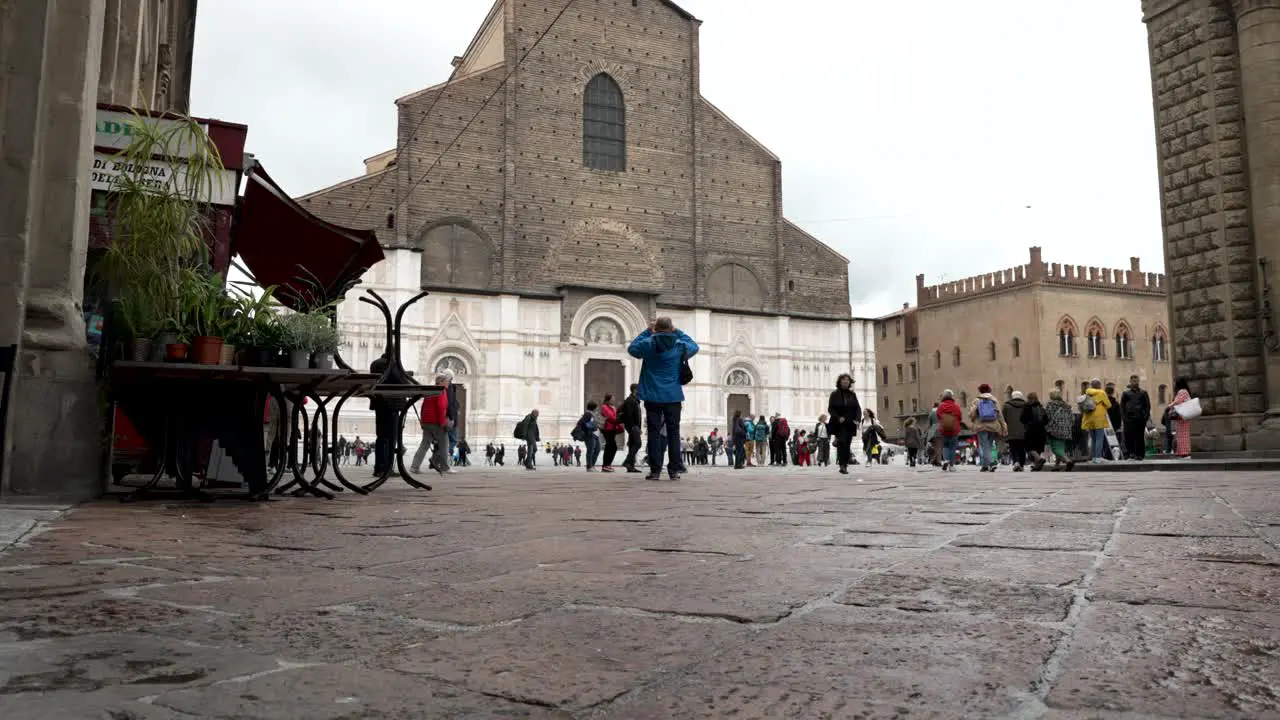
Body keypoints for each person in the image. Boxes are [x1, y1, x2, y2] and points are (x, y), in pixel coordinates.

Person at [627, 317, 700, 481]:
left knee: (653, 433)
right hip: (673, 396)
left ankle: (655, 470)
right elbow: (694, 346)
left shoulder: (648, 344)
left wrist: (647, 331)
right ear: (670, 328)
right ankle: (674, 470)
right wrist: (677, 331)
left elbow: (632, 349)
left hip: (652, 396)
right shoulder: (679, 344)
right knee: (673, 433)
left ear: (656, 328)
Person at [409, 372, 452, 476]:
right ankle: (445, 467)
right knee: (444, 444)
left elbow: (423, 407)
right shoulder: (441, 391)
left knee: (424, 445)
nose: (448, 383)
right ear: (441, 382)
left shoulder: (430, 391)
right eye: (447, 381)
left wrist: (422, 421)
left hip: (427, 422)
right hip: (437, 422)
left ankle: (414, 467)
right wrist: (442, 423)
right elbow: (441, 407)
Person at [827, 373, 863, 474]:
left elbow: (857, 408)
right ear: (840, 382)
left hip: (850, 423)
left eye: (847, 380)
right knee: (842, 442)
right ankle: (842, 465)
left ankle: (845, 464)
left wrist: (858, 419)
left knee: (847, 444)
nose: (846, 381)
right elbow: (830, 409)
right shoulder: (834, 394)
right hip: (839, 423)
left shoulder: (852, 394)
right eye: (844, 380)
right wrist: (838, 418)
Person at [967, 383, 1007, 472]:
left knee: (984, 445)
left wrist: (973, 419)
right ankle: (985, 466)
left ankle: (992, 462)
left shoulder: (976, 400)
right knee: (988, 445)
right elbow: (1000, 415)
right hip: (993, 426)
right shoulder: (994, 400)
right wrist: (1003, 427)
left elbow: (971, 414)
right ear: (989, 390)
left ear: (980, 390)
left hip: (981, 426)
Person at [1120, 375, 1151, 460]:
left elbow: (1147, 406)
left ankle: (1140, 454)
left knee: (1140, 437)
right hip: (1129, 419)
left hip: (1140, 419)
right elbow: (1122, 407)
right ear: (1130, 381)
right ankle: (1131, 453)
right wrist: (1124, 418)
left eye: (1136, 381)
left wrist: (1145, 417)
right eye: (1133, 381)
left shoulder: (1143, 393)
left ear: (1138, 382)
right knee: (1129, 437)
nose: (1135, 382)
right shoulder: (1126, 393)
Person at [1080, 378, 1112, 461]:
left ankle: (1094, 457)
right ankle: (1098, 457)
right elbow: (1109, 405)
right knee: (1099, 438)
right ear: (1098, 385)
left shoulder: (1087, 393)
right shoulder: (1102, 393)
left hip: (1089, 418)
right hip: (1099, 418)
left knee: (1093, 439)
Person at [1043, 389, 1076, 471]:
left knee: (1055, 449)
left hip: (1054, 429)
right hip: (1065, 430)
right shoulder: (1066, 405)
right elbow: (1072, 419)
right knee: (1061, 447)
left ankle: (1068, 461)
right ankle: (1057, 465)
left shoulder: (1051, 404)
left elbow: (1047, 416)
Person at [936, 390, 963, 471]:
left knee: (945, 446)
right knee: (952, 447)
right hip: (954, 430)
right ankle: (951, 465)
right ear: (952, 397)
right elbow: (960, 418)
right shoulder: (956, 406)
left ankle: (946, 460)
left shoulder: (941, 406)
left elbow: (938, 416)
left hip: (944, 429)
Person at [1020, 392, 1048, 471]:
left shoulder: (1027, 407)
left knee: (1030, 448)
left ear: (1028, 398)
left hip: (1031, 430)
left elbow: (1022, 419)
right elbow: (1046, 420)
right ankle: (1037, 466)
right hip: (1041, 431)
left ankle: (1039, 460)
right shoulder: (1041, 407)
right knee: (1038, 448)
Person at [1168, 377, 1193, 458]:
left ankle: (1185, 453)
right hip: (1183, 417)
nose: (1174, 384)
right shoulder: (1186, 391)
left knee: (1182, 436)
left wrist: (1169, 406)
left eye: (1175, 382)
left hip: (1182, 418)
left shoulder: (1182, 391)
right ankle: (1182, 452)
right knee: (1181, 435)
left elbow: (1177, 401)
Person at [1003, 391, 1028, 471]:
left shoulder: (1006, 405)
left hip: (1011, 431)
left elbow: (1004, 418)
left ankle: (1016, 462)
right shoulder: (1026, 405)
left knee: (1013, 447)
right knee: (1022, 448)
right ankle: (1021, 464)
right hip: (1024, 431)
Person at [600, 394, 623, 472]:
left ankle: (607, 465)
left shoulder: (613, 407)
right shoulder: (604, 407)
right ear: (608, 400)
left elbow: (615, 417)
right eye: (612, 399)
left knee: (611, 446)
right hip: (607, 429)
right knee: (611, 446)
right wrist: (619, 419)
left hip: (612, 429)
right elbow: (611, 417)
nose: (614, 400)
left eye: (614, 399)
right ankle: (605, 465)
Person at [577, 401, 602, 471]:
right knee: (590, 450)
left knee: (597, 449)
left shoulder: (592, 414)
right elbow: (582, 423)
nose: (597, 409)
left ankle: (592, 465)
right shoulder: (587, 414)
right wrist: (590, 428)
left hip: (595, 435)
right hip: (590, 435)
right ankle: (589, 467)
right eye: (596, 408)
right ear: (593, 408)